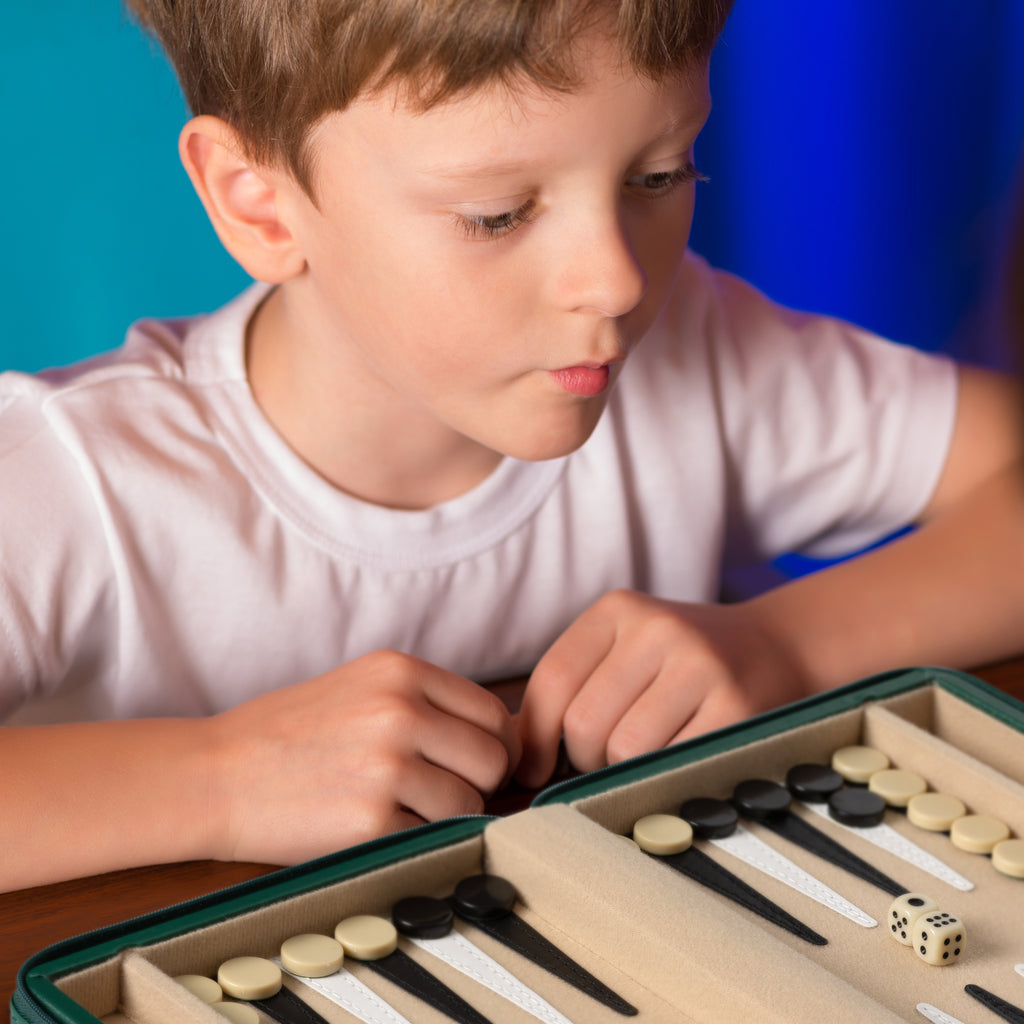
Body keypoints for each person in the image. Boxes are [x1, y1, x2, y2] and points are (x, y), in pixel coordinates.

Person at [2, 0, 1023, 893]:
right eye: (498, 214)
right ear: (255, 201)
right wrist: (221, 777)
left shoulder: (701, 356)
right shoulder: (70, 479)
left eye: (661, 172)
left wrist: (789, 645)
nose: (614, 281)